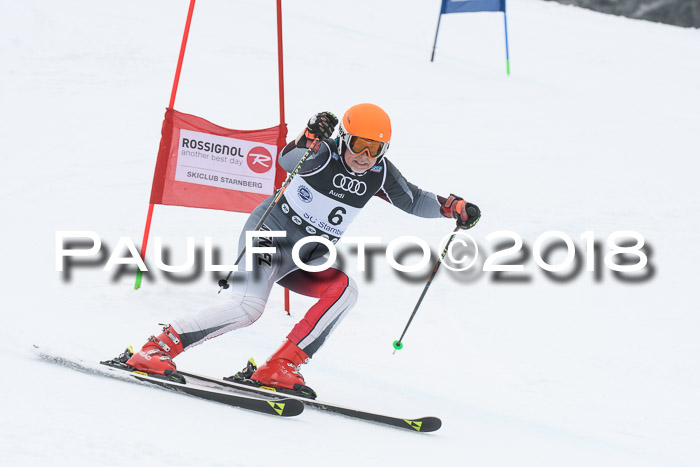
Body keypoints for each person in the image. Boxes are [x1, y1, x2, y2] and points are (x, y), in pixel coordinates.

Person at [122, 103, 481, 398]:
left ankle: (279, 366)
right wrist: (309, 136)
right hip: (270, 235)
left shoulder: (380, 173)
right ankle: (157, 348)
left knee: (344, 290)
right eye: (358, 145)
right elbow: (287, 160)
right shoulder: (324, 154)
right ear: (344, 139)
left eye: (375, 149)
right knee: (248, 308)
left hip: (304, 256)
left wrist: (452, 207)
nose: (365, 156)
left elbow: (414, 199)